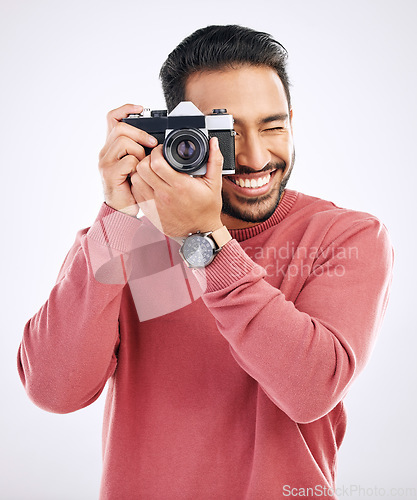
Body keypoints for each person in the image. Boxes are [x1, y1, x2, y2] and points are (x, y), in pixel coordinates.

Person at [18, 25, 393, 499]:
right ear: (178, 134)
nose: (256, 157)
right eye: (226, 133)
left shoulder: (346, 236)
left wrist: (203, 239)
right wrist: (117, 215)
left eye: (273, 126)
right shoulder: (130, 236)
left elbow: (310, 390)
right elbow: (54, 389)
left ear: (293, 121)